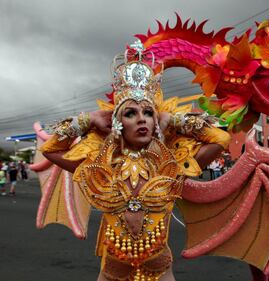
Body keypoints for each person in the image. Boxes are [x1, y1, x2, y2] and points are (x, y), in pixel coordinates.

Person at [40, 40, 230, 281]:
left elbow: (221, 138)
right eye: (131, 113)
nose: (142, 119)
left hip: (159, 271)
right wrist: (90, 119)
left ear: (155, 120)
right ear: (118, 122)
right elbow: (50, 148)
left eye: (148, 113)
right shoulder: (99, 166)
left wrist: (172, 120)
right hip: (112, 272)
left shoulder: (171, 164)